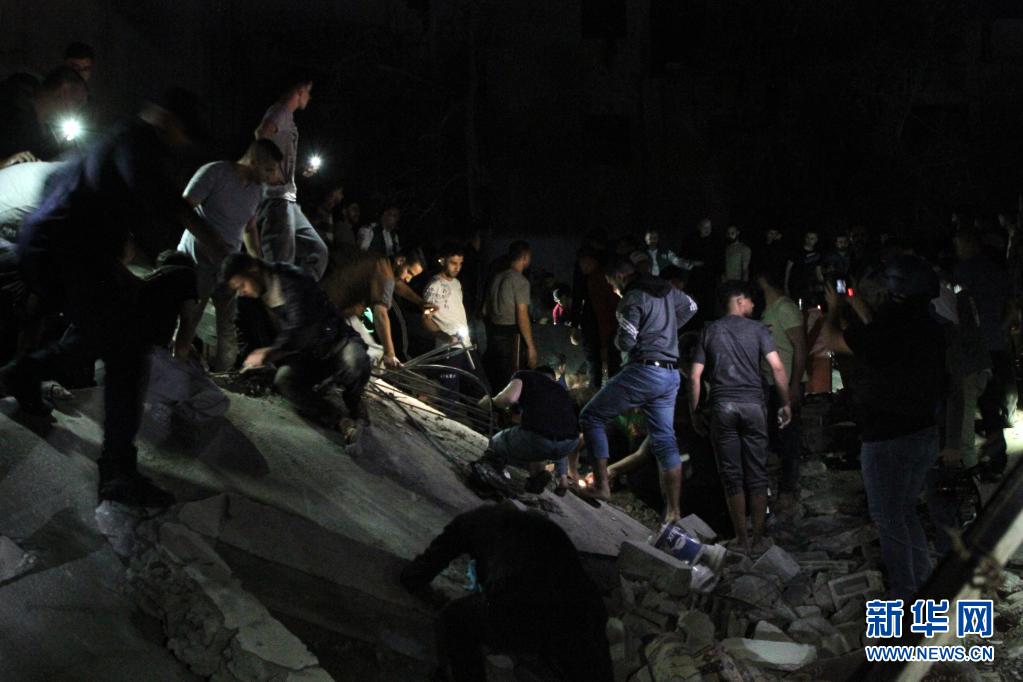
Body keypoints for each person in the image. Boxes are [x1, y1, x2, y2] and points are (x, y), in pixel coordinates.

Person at [2, 89, 229, 507]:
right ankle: (118, 472)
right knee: (126, 352)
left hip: (58, 246)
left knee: (98, 335)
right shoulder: (134, 140)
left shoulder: (115, 139)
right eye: (182, 132)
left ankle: (23, 373)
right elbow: (157, 194)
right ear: (166, 118)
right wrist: (209, 236)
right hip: (63, 249)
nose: (181, 143)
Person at [822, 254, 944, 602]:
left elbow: (834, 341)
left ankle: (906, 593)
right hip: (922, 432)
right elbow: (877, 331)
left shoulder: (890, 326)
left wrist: (833, 309)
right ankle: (925, 584)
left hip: (887, 438)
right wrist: (853, 300)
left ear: (895, 288)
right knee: (905, 511)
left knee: (888, 517)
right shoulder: (927, 323)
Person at [400, 503, 613, 682]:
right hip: (587, 608)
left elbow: (423, 568)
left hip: (530, 605)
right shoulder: (539, 527)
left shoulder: (471, 525)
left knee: (456, 619)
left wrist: (413, 577)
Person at [578, 259, 698, 522]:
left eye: (611, 283)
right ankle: (674, 512)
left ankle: (601, 485)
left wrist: (628, 336)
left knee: (591, 416)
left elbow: (626, 342)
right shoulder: (665, 289)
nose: (613, 289)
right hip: (670, 374)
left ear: (620, 276)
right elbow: (692, 306)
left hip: (644, 370)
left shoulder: (631, 298)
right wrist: (668, 330)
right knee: (664, 440)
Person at [689, 281, 791, 554]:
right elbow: (777, 368)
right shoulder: (758, 330)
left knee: (732, 476)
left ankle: (741, 539)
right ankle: (757, 540)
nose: (754, 306)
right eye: (751, 300)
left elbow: (695, 376)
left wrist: (695, 411)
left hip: (722, 407)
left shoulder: (710, 330)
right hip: (753, 407)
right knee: (757, 473)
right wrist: (786, 403)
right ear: (739, 300)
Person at [224, 253, 370, 436]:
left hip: (334, 344)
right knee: (284, 379)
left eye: (242, 285)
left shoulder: (294, 279)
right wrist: (247, 363)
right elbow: (246, 334)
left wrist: (270, 352)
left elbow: (303, 327)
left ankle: (354, 400)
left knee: (355, 359)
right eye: (237, 288)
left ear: (253, 270)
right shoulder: (247, 302)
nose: (241, 291)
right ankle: (338, 420)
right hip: (304, 357)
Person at [174, 139, 284, 370]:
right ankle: (174, 371)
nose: (273, 177)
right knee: (188, 323)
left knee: (228, 328)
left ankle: (221, 377)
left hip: (229, 269)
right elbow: (183, 209)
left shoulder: (257, 190)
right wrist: (212, 242)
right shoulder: (215, 172)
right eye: (269, 170)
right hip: (197, 263)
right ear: (253, 162)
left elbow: (249, 228)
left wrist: (258, 261)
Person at [953, 230, 1016, 478]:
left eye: (959, 245)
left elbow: (959, 310)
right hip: (996, 345)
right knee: (992, 407)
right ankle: (996, 461)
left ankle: (971, 463)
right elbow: (1012, 307)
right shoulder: (997, 272)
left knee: (967, 408)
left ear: (969, 244)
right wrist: (999, 330)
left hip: (974, 350)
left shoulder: (963, 272)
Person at [254, 73, 328, 280]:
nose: (310, 97)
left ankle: (299, 293)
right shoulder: (281, 110)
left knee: (318, 251)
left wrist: (299, 170)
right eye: (309, 92)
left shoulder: (287, 117)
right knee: (281, 264)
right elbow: (261, 133)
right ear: (300, 90)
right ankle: (278, 296)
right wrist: (272, 170)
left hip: (289, 201)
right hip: (276, 199)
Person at [479, 366, 580, 493]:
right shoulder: (561, 390)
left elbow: (508, 398)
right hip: (570, 444)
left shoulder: (525, 375)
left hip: (540, 438)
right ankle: (537, 477)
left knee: (497, 441)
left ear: (535, 373)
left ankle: (488, 474)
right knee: (537, 442)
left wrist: (489, 402)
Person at [755, 269, 806, 513]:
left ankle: (788, 492)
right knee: (776, 438)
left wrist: (794, 384)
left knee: (788, 440)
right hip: (771, 383)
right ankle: (780, 491)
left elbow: (801, 347)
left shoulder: (785, 308)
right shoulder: (768, 310)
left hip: (786, 383)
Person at [0, 66, 88, 166]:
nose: (77, 111)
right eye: (77, 102)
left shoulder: (48, 135)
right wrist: (5, 162)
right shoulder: (8, 103)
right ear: (63, 91)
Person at [483, 241, 537, 389]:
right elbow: (522, 316)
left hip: (493, 335)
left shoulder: (496, 278)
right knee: (511, 382)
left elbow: (485, 310)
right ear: (525, 257)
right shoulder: (520, 281)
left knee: (496, 381)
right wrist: (531, 347)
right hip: (511, 338)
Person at [422, 243, 471, 397]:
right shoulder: (434, 286)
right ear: (442, 261)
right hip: (448, 347)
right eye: (453, 263)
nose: (457, 267)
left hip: (464, 344)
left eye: (460, 264)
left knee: (472, 388)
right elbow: (426, 318)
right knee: (450, 392)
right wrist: (445, 336)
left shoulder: (457, 283)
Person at [571, 248, 620, 389]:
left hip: (601, 330)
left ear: (593, 261)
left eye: (584, 263)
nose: (582, 267)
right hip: (602, 329)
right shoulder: (595, 277)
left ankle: (596, 395)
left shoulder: (597, 279)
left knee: (596, 366)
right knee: (605, 367)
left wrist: (604, 342)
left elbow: (603, 312)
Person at [785, 230, 823, 305]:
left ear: (816, 240)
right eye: (808, 238)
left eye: (812, 238)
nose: (809, 240)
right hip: (796, 285)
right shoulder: (797, 252)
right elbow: (788, 269)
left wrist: (822, 283)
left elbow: (818, 271)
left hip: (810, 286)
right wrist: (786, 286)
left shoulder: (817, 254)